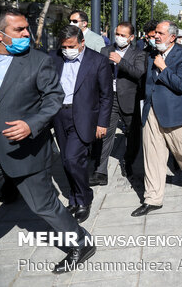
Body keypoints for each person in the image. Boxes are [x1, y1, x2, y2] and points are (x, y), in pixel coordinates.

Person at [0, 10, 96, 273]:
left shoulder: (38, 61)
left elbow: (54, 98)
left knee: (43, 204)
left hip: (25, 149)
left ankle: (81, 242)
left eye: (26, 28)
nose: (27, 34)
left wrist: (31, 124)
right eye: (19, 30)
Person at [131, 20, 182, 217]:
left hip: (175, 114)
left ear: (172, 37)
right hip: (151, 111)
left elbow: (180, 85)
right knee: (152, 156)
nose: (156, 37)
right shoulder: (151, 55)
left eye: (160, 34)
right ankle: (152, 198)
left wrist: (163, 68)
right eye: (155, 34)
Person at [51, 25, 113, 223]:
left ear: (82, 42)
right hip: (60, 115)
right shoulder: (55, 58)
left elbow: (106, 96)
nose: (67, 50)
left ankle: (85, 198)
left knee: (72, 159)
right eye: (63, 47)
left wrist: (102, 123)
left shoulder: (98, 61)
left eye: (71, 46)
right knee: (66, 162)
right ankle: (74, 198)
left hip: (85, 117)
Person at [92, 22, 146, 183]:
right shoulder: (105, 51)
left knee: (133, 135)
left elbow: (138, 73)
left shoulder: (139, 54)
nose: (119, 38)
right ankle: (100, 171)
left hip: (130, 99)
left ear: (131, 37)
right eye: (117, 34)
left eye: (123, 35)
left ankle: (128, 163)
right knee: (106, 133)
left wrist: (120, 62)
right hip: (110, 98)